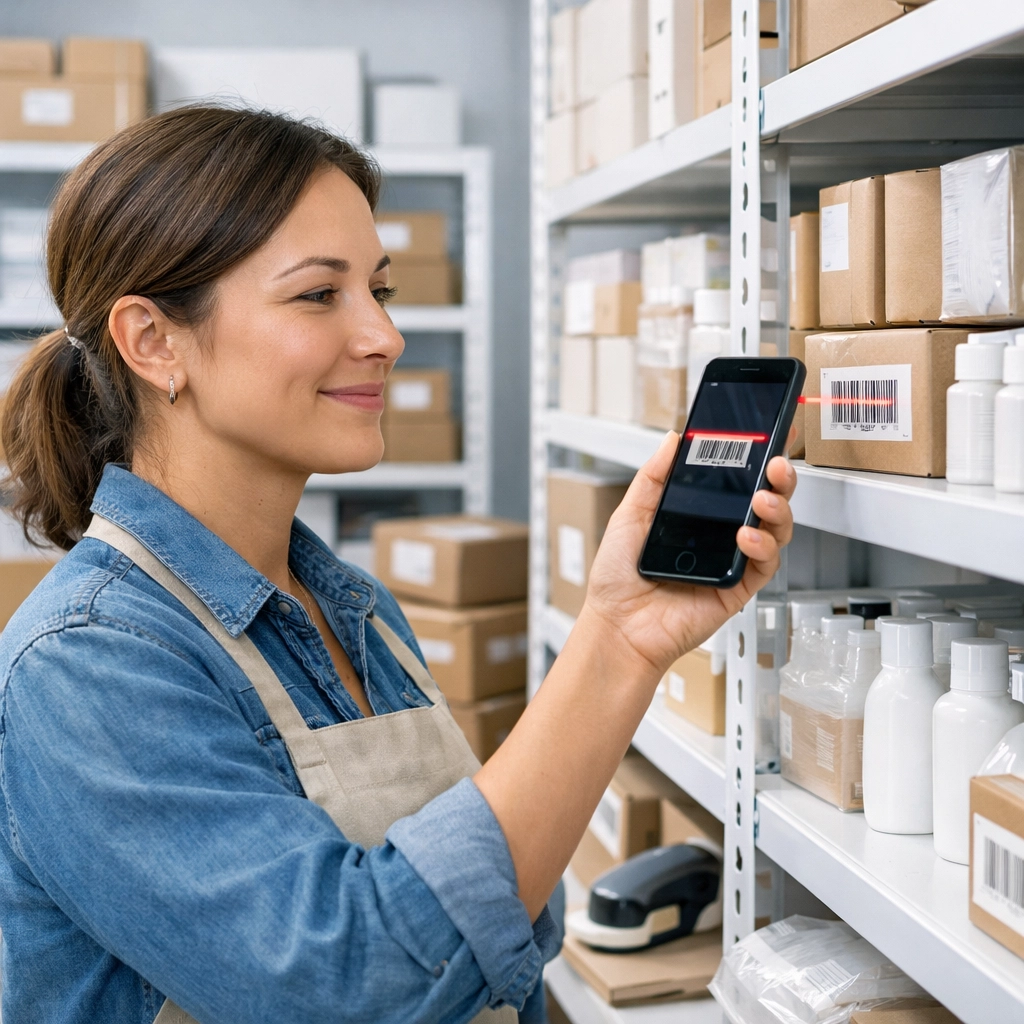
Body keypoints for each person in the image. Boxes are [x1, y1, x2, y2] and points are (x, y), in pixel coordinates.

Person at [0, 106, 796, 1024]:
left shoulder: (356, 610)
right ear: (153, 341)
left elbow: (495, 940)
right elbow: (352, 983)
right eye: (319, 295)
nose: (383, 335)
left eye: (380, 290)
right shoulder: (88, 661)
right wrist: (612, 647)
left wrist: (630, 628)